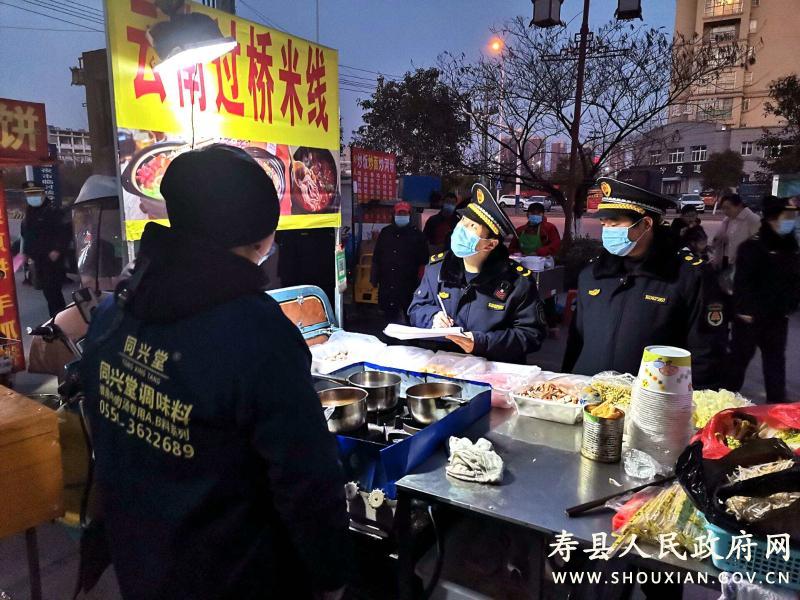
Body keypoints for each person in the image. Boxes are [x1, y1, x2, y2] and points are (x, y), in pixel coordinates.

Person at [78, 145, 349, 599]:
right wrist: (331, 574)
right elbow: (306, 479)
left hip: (141, 563)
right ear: (261, 238)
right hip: (236, 578)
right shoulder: (259, 332)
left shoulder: (114, 312)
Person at [563, 178, 726, 388]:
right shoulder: (593, 274)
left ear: (646, 224)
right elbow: (576, 341)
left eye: (615, 224)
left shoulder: (689, 276)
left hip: (652, 400)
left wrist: (693, 402)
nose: (608, 231)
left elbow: (706, 352)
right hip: (588, 394)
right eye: (604, 224)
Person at [408, 183, 547, 363]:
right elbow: (416, 308)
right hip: (443, 367)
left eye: (472, 226)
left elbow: (530, 334)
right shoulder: (437, 269)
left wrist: (482, 343)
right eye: (462, 221)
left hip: (494, 371)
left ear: (490, 244)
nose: (460, 229)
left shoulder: (517, 282)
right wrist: (432, 317)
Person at [726, 196, 800, 404]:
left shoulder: (790, 247)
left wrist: (790, 305)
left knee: (775, 361)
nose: (791, 222)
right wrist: (743, 310)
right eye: (787, 217)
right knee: (739, 359)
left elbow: (794, 280)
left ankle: (777, 405)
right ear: (772, 219)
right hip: (750, 317)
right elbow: (741, 282)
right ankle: (724, 399)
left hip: (777, 317)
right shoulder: (752, 247)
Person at [371, 201, 429, 325]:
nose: (401, 216)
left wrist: (422, 283)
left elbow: (424, 262)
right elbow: (377, 257)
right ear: (394, 215)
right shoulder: (385, 232)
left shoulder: (418, 236)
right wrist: (374, 278)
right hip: (387, 283)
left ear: (409, 215)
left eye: (404, 214)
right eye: (399, 213)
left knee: (410, 316)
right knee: (388, 319)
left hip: (409, 284)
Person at [20, 181, 70, 317]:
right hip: (38, 260)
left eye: (35, 194)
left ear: (43, 194)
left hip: (52, 260)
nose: (32, 198)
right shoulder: (30, 212)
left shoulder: (53, 211)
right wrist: (25, 253)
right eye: (29, 195)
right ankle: (55, 318)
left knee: (53, 291)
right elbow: (27, 235)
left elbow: (65, 232)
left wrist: (57, 250)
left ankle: (59, 318)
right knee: (47, 292)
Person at [710, 193, 760, 272]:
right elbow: (720, 239)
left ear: (739, 206)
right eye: (723, 208)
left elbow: (758, 245)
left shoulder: (752, 219)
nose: (725, 211)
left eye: (728, 208)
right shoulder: (728, 220)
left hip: (742, 263)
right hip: (726, 259)